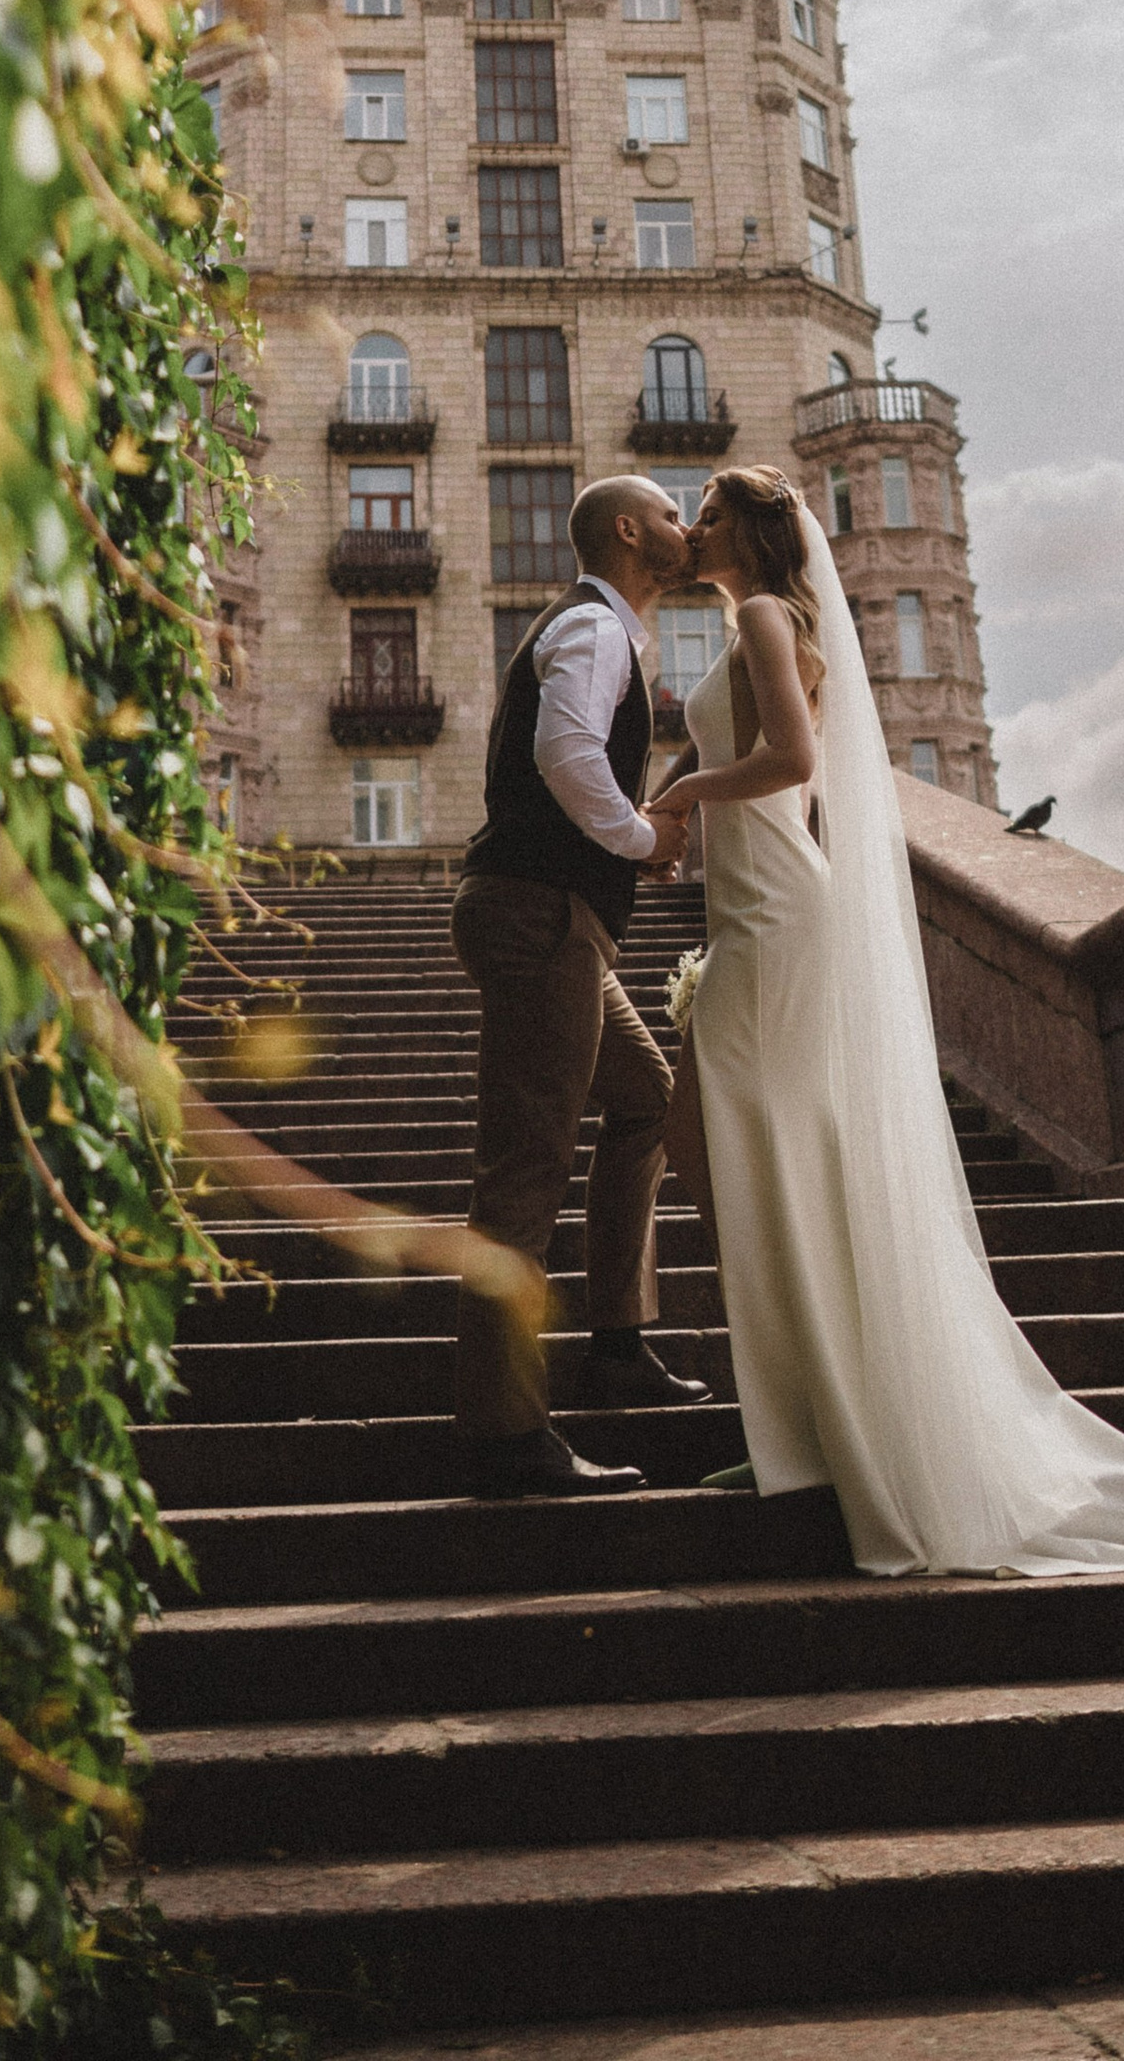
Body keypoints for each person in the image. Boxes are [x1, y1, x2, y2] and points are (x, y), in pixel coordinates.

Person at [648, 463, 1124, 1579]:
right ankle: (798, 1428)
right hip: (751, 909)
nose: (693, 529)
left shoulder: (776, 619)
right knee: (737, 1153)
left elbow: (791, 760)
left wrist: (683, 798)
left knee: (731, 1146)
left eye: (711, 515)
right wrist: (679, 806)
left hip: (781, 913)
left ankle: (825, 1432)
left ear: (755, 533)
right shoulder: (748, 629)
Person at [451, 474, 708, 1497]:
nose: (685, 530)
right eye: (673, 515)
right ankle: (504, 1434)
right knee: (523, 1171)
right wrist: (643, 836)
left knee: (649, 1100)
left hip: (557, 917)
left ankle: (614, 1341)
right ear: (628, 530)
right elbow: (564, 752)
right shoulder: (594, 629)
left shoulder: (607, 632)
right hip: (538, 914)